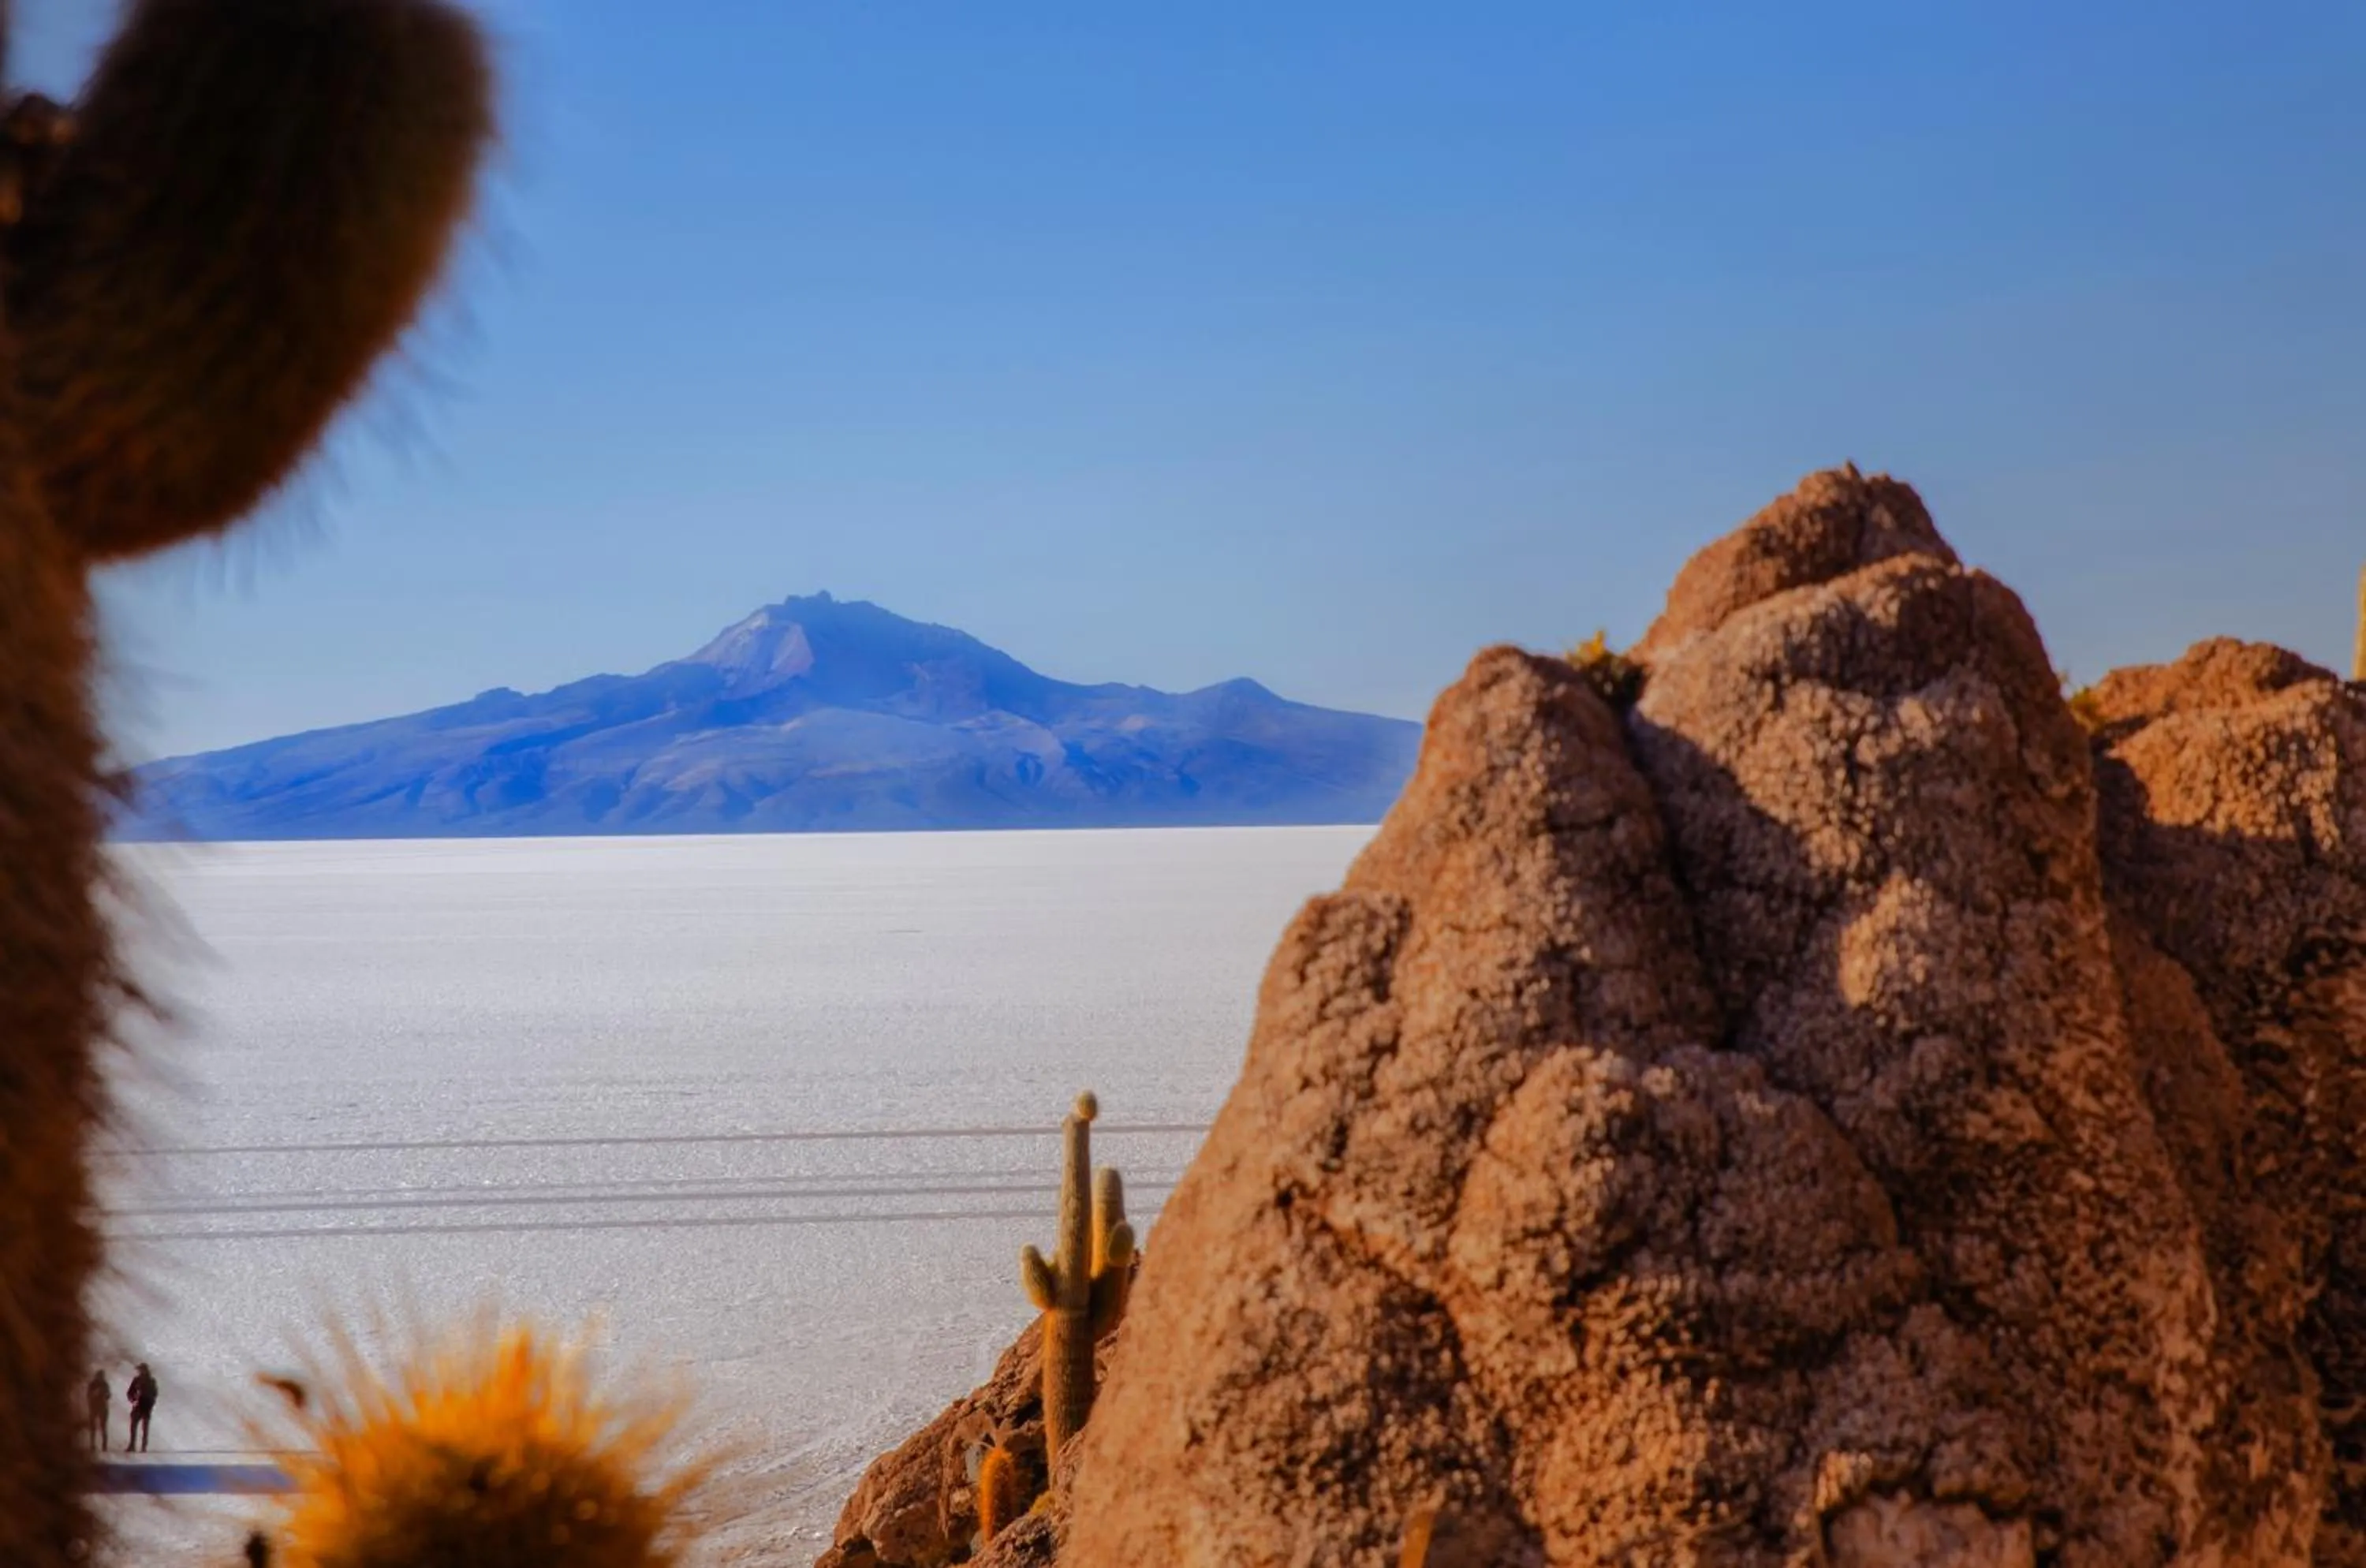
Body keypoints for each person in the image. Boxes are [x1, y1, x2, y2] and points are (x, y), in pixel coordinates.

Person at [126, 1362, 158, 1453]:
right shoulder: (137, 1380)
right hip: (138, 1405)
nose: (140, 1371)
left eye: (141, 1370)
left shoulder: (151, 1381)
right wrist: (133, 1400)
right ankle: (132, 1445)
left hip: (146, 1406)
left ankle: (143, 1447)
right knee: (133, 1426)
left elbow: (155, 1393)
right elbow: (130, 1392)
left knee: (145, 1428)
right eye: (140, 1370)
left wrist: (151, 1403)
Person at [85, 1368, 109, 1453]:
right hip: (94, 1407)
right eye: (100, 1376)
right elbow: (88, 1395)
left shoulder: (105, 1384)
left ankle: (104, 1445)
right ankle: (92, 1445)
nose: (101, 1378)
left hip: (102, 1407)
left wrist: (104, 1394)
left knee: (103, 1427)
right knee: (93, 1427)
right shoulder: (93, 1384)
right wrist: (94, 1394)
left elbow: (108, 1395)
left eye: (102, 1376)